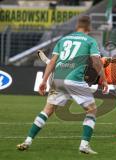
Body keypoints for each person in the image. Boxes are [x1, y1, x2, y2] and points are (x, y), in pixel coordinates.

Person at [17, 16, 108, 154]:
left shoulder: (63, 39)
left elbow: (53, 61)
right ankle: (84, 145)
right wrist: (104, 78)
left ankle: (28, 140)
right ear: (89, 28)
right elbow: (96, 61)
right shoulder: (90, 40)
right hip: (74, 80)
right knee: (92, 110)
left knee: (47, 110)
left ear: (77, 26)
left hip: (58, 79)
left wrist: (43, 80)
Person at [37, 36, 116, 135]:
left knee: (80, 73)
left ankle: (51, 64)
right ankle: (51, 64)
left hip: (97, 79)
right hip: (97, 67)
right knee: (86, 60)